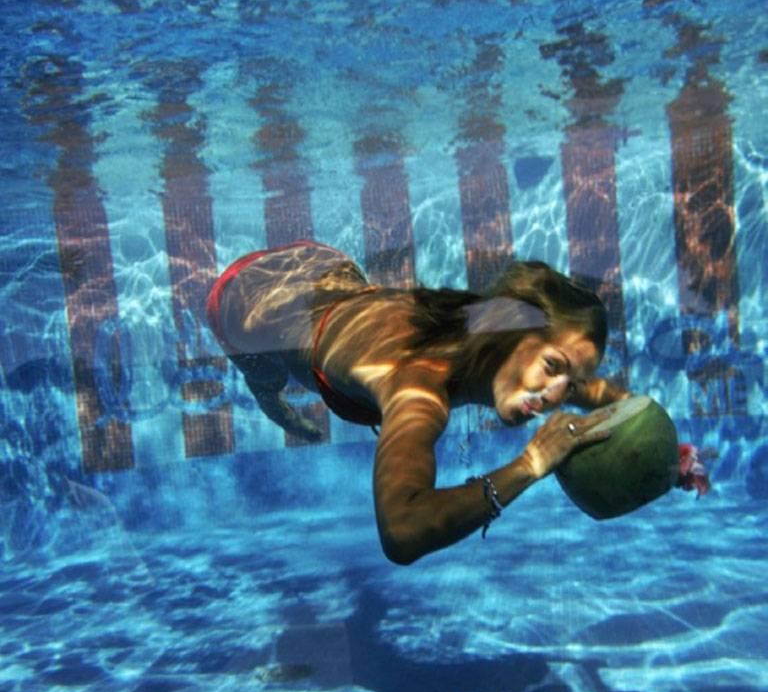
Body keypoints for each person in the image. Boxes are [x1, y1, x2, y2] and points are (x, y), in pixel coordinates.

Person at [207, 240, 629, 565]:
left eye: (570, 384)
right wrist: (530, 464)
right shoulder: (418, 389)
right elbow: (402, 531)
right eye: (552, 367)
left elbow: (590, 388)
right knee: (265, 373)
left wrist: (663, 450)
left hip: (324, 270)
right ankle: (269, 398)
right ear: (509, 336)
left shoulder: (483, 319)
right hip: (247, 305)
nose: (557, 395)